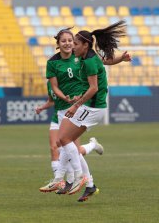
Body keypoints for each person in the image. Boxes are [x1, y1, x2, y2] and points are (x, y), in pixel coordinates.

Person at [55, 20, 129, 200]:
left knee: (65, 140)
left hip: (93, 107)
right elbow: (105, 61)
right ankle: (87, 184)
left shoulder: (88, 60)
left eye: (76, 43)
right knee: (64, 142)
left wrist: (75, 104)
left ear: (85, 45)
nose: (72, 46)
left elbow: (94, 88)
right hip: (89, 106)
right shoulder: (89, 56)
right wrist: (120, 59)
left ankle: (76, 178)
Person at [38, 28, 104, 198]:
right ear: (58, 44)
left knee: (65, 145)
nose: (69, 44)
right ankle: (83, 182)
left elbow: (100, 65)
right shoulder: (53, 62)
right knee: (64, 146)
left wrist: (75, 102)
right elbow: (53, 88)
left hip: (80, 107)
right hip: (62, 108)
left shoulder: (82, 58)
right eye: (65, 41)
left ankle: (72, 178)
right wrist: (66, 99)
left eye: (71, 41)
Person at [36, 80, 104, 194]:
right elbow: (51, 101)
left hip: (71, 116)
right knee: (55, 147)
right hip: (57, 117)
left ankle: (86, 180)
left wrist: (74, 102)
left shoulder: (70, 79)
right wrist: (42, 108)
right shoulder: (50, 83)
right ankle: (60, 181)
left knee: (74, 151)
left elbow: (83, 94)